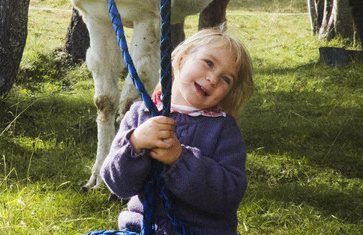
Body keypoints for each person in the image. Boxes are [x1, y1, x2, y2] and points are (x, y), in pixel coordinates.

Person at [100, 27, 255, 234]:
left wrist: (181, 161)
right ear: (181, 59)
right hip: (141, 230)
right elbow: (118, 185)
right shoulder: (141, 114)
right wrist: (135, 143)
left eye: (226, 79)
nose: (213, 79)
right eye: (208, 63)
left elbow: (229, 195)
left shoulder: (223, 129)